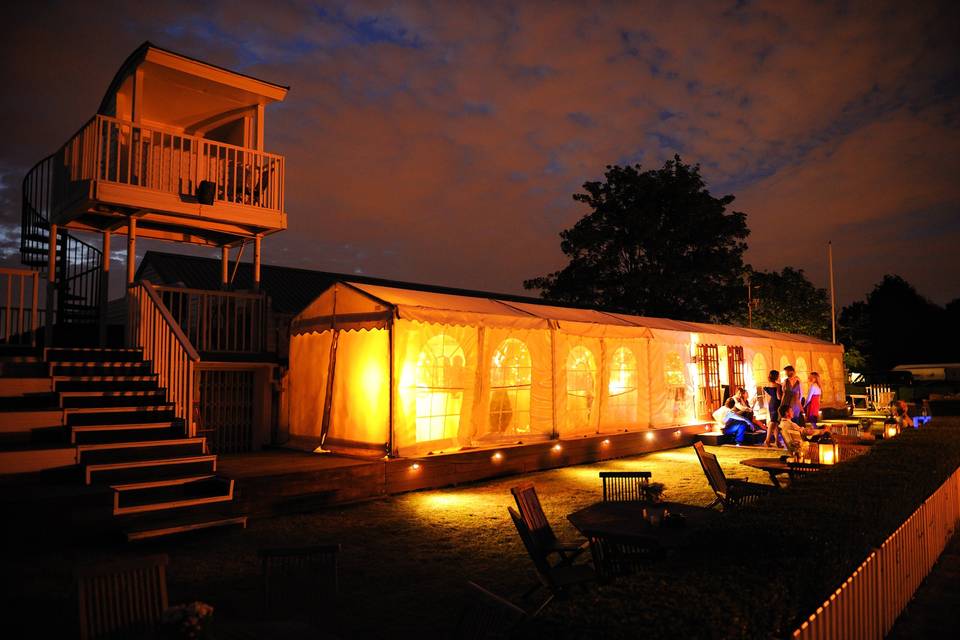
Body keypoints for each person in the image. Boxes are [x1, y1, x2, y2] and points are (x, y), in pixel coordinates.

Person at [762, 370, 782, 447]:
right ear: (776, 376)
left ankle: (777, 441)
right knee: (773, 422)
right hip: (776, 404)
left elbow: (767, 396)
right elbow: (779, 397)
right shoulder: (778, 385)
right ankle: (767, 440)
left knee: (776, 423)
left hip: (771, 404)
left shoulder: (767, 385)